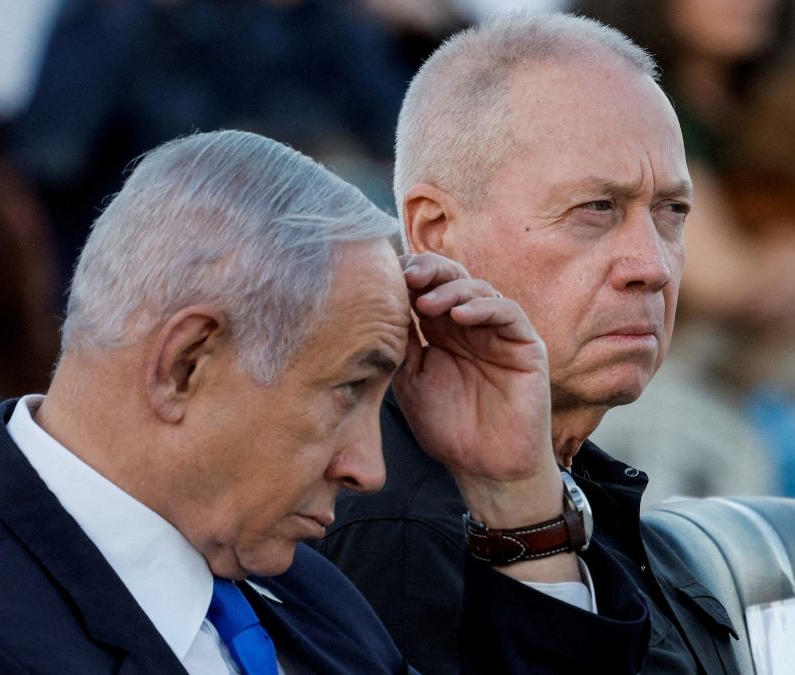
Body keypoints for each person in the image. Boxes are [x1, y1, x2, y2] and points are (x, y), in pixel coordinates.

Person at [0, 130, 650, 674]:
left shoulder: (307, 592)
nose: (368, 467)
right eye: (347, 389)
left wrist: (513, 489)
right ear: (185, 364)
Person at [316, 12, 740, 674]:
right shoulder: (401, 527)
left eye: (671, 212)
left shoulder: (566, 469)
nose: (653, 265)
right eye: (596, 209)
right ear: (434, 232)